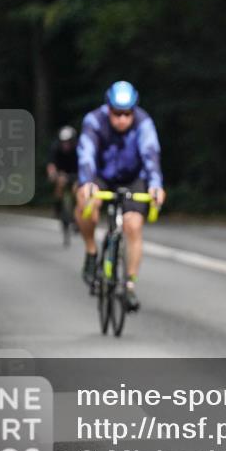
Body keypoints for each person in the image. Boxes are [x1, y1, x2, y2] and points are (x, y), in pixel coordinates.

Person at [75, 81, 166, 311]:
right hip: (101, 175)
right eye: (117, 113)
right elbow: (86, 152)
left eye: (127, 114)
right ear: (108, 109)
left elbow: (151, 154)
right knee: (85, 200)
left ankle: (129, 285)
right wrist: (87, 182)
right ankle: (91, 252)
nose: (122, 119)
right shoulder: (94, 120)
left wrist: (155, 185)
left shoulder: (144, 123)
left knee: (133, 224)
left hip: (133, 178)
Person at [47, 126, 79, 219]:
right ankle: (58, 208)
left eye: (68, 142)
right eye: (63, 142)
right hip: (62, 171)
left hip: (76, 172)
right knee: (60, 185)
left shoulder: (79, 148)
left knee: (76, 189)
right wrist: (52, 174)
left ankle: (77, 210)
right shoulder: (55, 147)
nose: (65, 144)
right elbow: (51, 164)